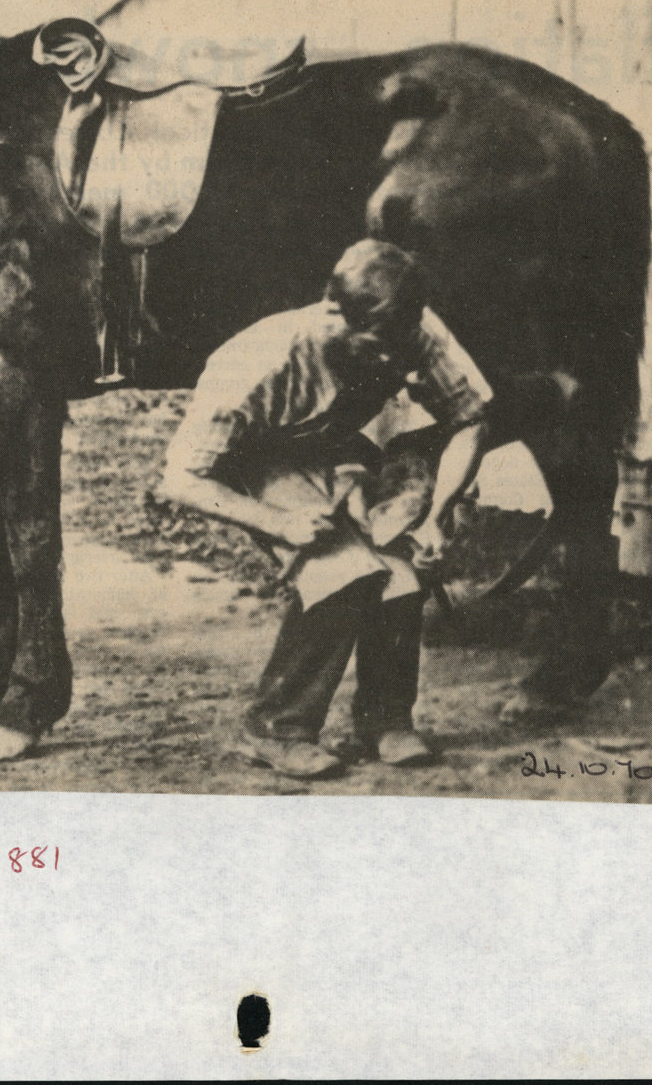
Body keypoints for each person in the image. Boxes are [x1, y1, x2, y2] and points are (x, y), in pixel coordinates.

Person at [156, 239, 494, 779]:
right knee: (343, 573)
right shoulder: (259, 361)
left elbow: (471, 418)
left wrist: (435, 517)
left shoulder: (416, 331)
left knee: (402, 572)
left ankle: (386, 719)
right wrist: (277, 521)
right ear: (333, 309)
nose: (388, 360)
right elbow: (179, 480)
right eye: (374, 345)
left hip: (336, 447)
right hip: (257, 456)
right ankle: (276, 728)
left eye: (397, 346)